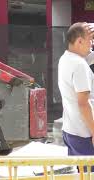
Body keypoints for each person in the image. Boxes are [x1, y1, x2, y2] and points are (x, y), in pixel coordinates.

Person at [58, 22, 94, 171]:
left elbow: (88, 57)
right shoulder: (79, 65)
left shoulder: (66, 58)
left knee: (81, 174)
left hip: (70, 130)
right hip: (84, 133)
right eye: (90, 41)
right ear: (79, 41)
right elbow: (83, 104)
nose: (92, 44)